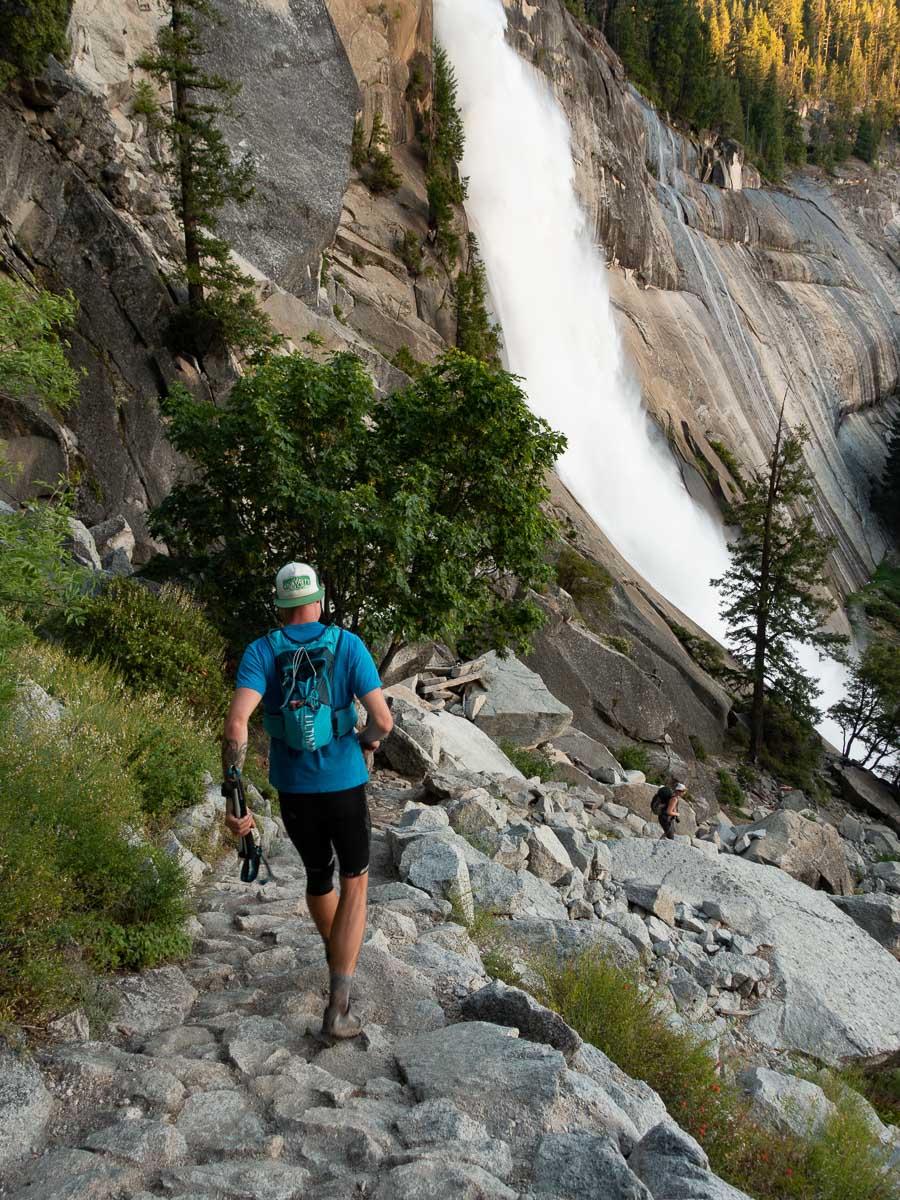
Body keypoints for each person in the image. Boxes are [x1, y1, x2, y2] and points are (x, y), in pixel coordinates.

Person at [221, 561, 393, 1039]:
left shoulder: (261, 651)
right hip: (344, 783)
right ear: (318, 599)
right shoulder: (347, 645)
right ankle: (338, 1008)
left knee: (319, 878)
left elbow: (236, 728)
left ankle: (338, 950)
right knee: (355, 880)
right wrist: (367, 742)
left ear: (280, 606)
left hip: (294, 789)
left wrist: (234, 803)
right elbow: (383, 721)